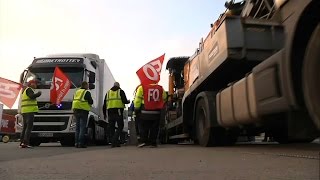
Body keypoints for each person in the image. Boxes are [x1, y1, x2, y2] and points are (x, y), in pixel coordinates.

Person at [134, 83, 166, 148]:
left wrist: (137, 109)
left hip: (144, 112)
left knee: (143, 127)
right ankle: (153, 142)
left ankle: (143, 141)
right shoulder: (160, 88)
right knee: (154, 128)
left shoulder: (141, 88)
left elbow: (137, 100)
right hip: (156, 112)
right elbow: (164, 98)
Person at [103, 82, 130, 148]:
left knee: (111, 127)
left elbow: (104, 104)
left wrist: (104, 114)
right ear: (119, 86)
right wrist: (128, 101)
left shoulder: (108, 93)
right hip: (118, 111)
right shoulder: (120, 91)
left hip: (110, 111)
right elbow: (124, 101)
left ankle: (114, 142)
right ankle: (115, 140)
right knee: (120, 126)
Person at [20, 80, 41, 148]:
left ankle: (22, 142)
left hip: (25, 111)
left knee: (25, 127)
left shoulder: (25, 90)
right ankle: (26, 143)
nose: (36, 85)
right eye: (35, 84)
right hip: (29, 111)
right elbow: (31, 96)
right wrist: (38, 94)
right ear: (31, 84)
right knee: (29, 127)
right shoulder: (29, 90)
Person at [72, 81, 93, 148]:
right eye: (87, 85)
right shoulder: (86, 92)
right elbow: (91, 101)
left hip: (75, 110)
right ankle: (81, 143)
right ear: (85, 85)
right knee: (82, 128)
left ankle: (76, 143)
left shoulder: (77, 91)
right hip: (83, 110)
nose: (88, 87)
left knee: (77, 128)